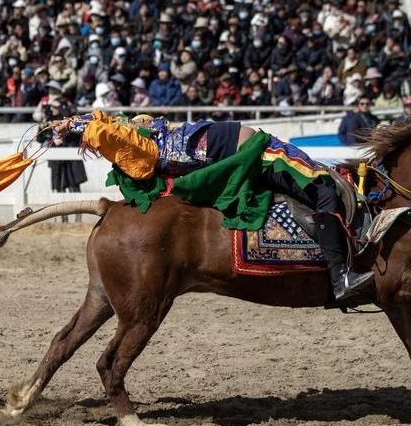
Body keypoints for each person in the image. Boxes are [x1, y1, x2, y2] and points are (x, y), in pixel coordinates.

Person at [55, 111, 375, 301]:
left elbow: (110, 123)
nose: (148, 123)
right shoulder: (147, 148)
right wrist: (79, 126)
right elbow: (110, 130)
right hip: (261, 152)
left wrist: (74, 122)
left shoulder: (149, 141)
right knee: (323, 190)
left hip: (256, 149)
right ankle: (340, 276)